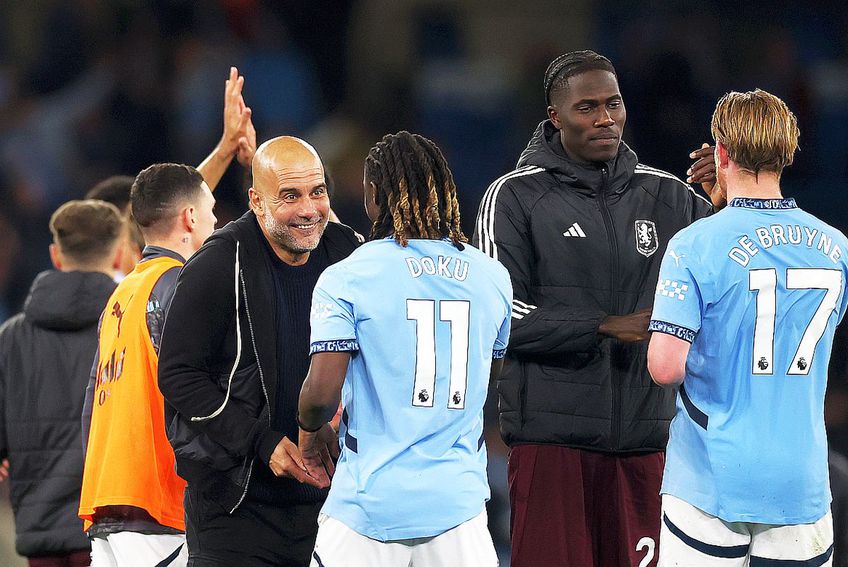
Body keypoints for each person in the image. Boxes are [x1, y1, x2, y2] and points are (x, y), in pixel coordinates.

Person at [472, 49, 720, 567]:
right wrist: (603, 326)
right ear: (554, 118)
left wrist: (725, 207)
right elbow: (497, 315)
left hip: (646, 445)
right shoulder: (514, 198)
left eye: (614, 103)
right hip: (552, 446)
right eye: (587, 108)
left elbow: (724, 287)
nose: (606, 118)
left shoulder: (671, 197)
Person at [648, 89, 847, 566]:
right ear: (787, 153)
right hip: (801, 479)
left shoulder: (693, 244)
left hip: (713, 476)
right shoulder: (837, 247)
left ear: (721, 153)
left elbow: (665, 367)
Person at [298, 131, 512, 567]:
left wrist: (309, 427)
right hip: (459, 510)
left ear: (374, 194)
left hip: (368, 508)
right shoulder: (492, 276)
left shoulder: (347, 277)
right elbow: (491, 377)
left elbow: (321, 397)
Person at [157, 136, 361, 566]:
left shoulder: (346, 253)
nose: (309, 209)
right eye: (290, 196)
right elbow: (178, 374)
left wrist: (336, 417)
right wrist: (260, 442)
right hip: (234, 507)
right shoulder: (218, 262)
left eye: (317, 192)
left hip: (328, 510)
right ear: (257, 200)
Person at [78, 163, 218, 567]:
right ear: (190, 217)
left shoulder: (122, 294)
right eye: (210, 208)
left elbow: (91, 404)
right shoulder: (179, 285)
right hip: (157, 506)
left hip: (107, 499)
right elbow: (197, 394)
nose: (215, 218)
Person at [0, 200, 123, 567]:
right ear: (119, 256)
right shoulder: (127, 329)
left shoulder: (11, 338)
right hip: (110, 529)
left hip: (39, 534)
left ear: (56, 255)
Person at [84, 66, 257, 280]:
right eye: (137, 231)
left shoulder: (144, 285)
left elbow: (180, 202)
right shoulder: (123, 292)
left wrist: (227, 150)